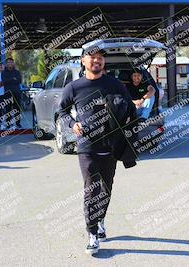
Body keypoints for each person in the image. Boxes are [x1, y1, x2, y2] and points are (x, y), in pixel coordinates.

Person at [58, 47, 134, 255]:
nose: (97, 61)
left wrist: (126, 115)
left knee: (106, 188)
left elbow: (130, 107)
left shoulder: (115, 84)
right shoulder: (74, 87)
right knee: (92, 189)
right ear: (83, 61)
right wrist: (72, 124)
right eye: (93, 58)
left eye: (100, 58)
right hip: (86, 146)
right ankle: (92, 233)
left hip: (110, 145)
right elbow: (62, 111)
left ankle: (100, 219)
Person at [1, 58, 22, 128]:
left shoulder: (17, 72)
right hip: (8, 93)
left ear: (13, 63)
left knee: (17, 109)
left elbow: (19, 81)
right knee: (8, 109)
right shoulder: (3, 73)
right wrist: (13, 78)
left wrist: (10, 79)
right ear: (6, 64)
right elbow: (4, 81)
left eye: (11, 62)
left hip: (17, 93)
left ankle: (18, 123)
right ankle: (8, 124)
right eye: (8, 62)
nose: (10, 63)